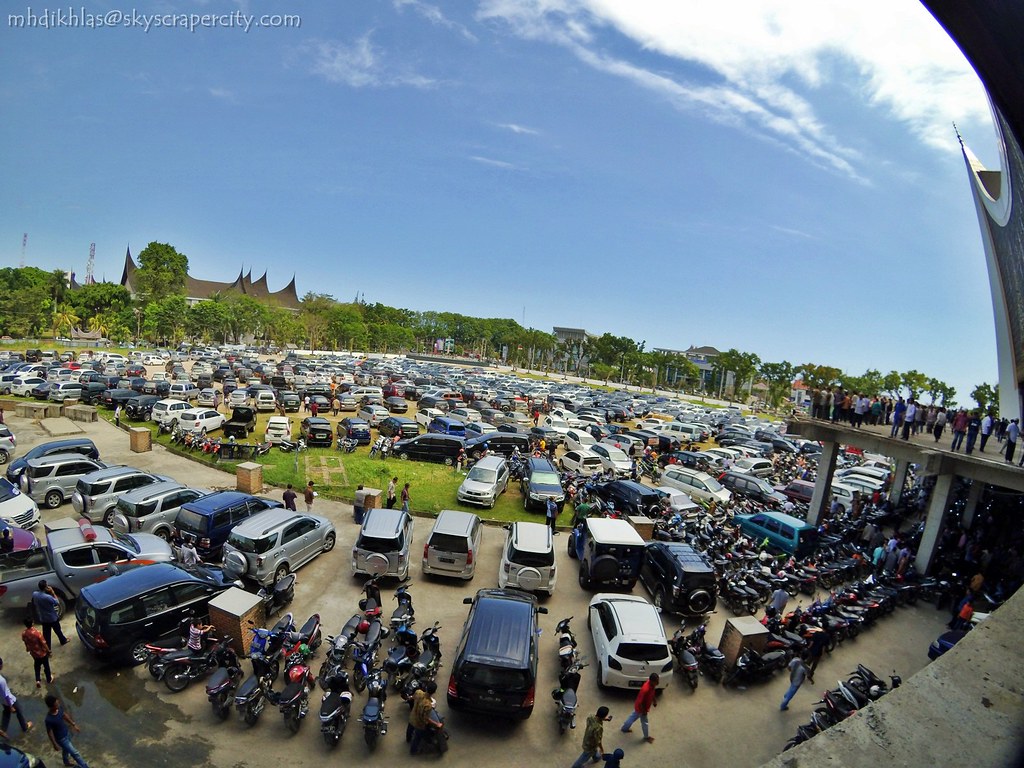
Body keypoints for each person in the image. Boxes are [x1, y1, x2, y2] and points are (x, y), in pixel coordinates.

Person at [45, 694, 88, 768]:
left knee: (66, 750)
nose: (58, 705)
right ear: (51, 707)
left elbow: (64, 715)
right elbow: (50, 732)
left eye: (58, 703)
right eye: (56, 704)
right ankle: (85, 766)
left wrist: (73, 725)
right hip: (61, 739)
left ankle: (66, 762)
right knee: (75, 753)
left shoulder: (59, 709)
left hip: (67, 733)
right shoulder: (48, 719)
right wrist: (54, 744)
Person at [621, 672, 658, 743]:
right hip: (641, 708)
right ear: (652, 681)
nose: (658, 682)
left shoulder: (652, 685)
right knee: (644, 722)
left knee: (632, 717)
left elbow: (652, 693)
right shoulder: (645, 689)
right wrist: (643, 711)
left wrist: (654, 701)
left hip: (641, 708)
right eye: (656, 681)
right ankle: (646, 737)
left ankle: (624, 728)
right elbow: (640, 702)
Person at [31, 580, 68, 649]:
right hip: (52, 618)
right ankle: (63, 640)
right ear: (45, 587)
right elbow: (57, 602)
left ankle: (48, 648)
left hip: (43, 618)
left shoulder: (35, 594)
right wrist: (52, 592)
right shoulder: (48, 597)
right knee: (58, 630)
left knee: (46, 635)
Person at [0, 658, 31, 735]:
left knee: (6, 712)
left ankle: (3, 729)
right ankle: (25, 726)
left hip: (1, 700)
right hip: (10, 700)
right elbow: (6, 695)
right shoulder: (1, 681)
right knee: (19, 710)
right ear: (0, 665)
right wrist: (11, 706)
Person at [22, 616, 53, 687]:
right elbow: (43, 643)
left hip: (34, 653)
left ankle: (38, 680)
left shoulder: (24, 633)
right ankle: (49, 678)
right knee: (46, 666)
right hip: (42, 653)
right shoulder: (37, 633)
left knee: (37, 666)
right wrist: (48, 651)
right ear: (32, 623)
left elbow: (25, 641)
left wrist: (27, 648)